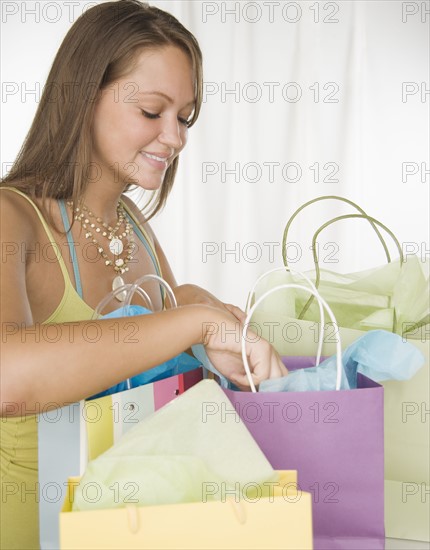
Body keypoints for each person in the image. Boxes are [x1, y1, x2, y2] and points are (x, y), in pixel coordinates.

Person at [0, 1, 287, 547]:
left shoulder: (132, 224)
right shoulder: (11, 216)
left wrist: (195, 305)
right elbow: (7, 379)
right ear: (83, 97)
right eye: (153, 112)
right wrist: (195, 322)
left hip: (121, 527)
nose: (175, 138)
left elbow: (137, 343)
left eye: (185, 117)